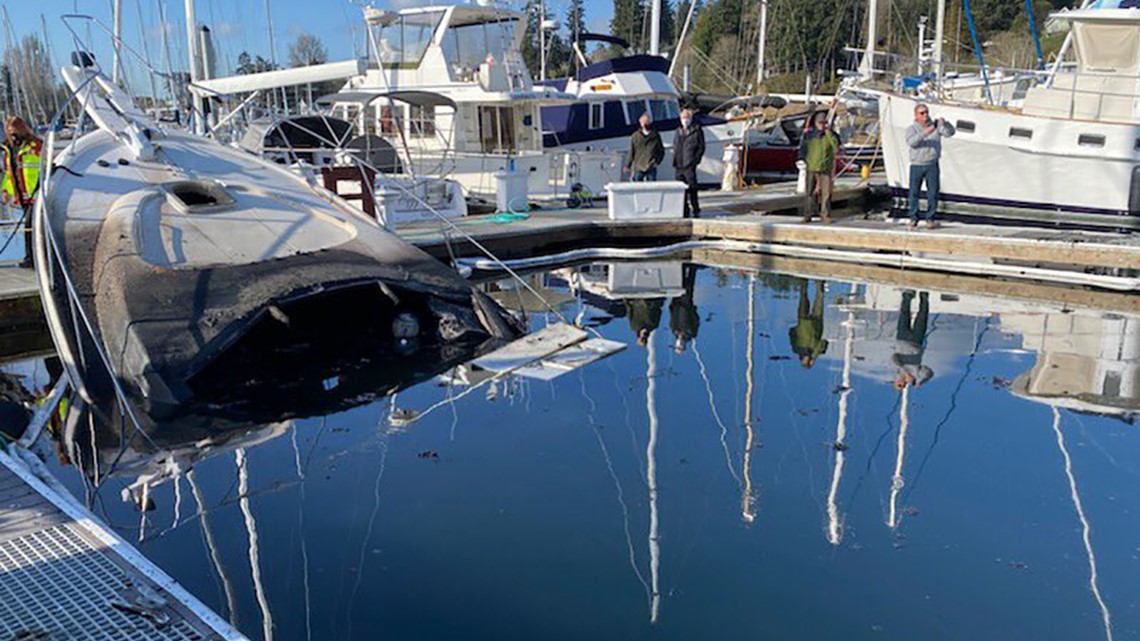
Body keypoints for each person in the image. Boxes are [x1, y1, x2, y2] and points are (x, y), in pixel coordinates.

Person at [905, 103, 954, 229]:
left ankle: (930, 218)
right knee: (914, 193)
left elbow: (950, 133)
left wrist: (945, 124)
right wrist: (927, 132)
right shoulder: (911, 129)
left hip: (932, 164)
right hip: (916, 164)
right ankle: (913, 218)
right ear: (916, 115)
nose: (925, 115)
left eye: (926, 112)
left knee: (933, 193)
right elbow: (912, 142)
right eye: (922, 113)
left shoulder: (936, 126)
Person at [1, 117, 43, 268]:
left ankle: (33, 258)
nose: (13, 135)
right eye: (10, 132)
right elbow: (9, 173)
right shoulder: (9, 149)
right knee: (29, 226)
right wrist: (6, 190)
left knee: (30, 225)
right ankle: (31, 257)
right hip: (22, 194)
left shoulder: (35, 146)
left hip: (36, 193)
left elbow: (45, 165)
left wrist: (41, 186)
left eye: (15, 131)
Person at [798, 111, 841, 224]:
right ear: (815, 123)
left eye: (825, 123)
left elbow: (836, 147)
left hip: (825, 167)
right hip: (811, 166)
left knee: (826, 193)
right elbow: (803, 148)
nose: (822, 125)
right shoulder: (808, 135)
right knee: (809, 193)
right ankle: (807, 215)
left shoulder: (832, 135)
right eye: (820, 123)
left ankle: (825, 215)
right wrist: (801, 159)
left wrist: (829, 133)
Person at [892, 290, 933, 389]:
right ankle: (924, 297)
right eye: (903, 386)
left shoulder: (895, 369)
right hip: (916, 342)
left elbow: (894, 357)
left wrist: (905, 372)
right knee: (922, 318)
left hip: (902, 339)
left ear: (895, 381)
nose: (902, 384)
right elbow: (929, 373)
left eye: (899, 385)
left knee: (904, 315)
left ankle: (908, 296)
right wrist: (921, 382)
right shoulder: (916, 374)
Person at [673, 107, 706, 218]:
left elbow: (701, 147)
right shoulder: (678, 131)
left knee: (692, 188)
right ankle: (683, 208)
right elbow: (675, 145)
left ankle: (696, 208)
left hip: (689, 164)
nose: (685, 120)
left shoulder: (696, 130)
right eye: (683, 117)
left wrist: (695, 161)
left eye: (687, 117)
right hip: (678, 165)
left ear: (691, 118)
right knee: (680, 190)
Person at [789, 280, 828, 368]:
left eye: (804, 361)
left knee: (803, 295)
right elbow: (824, 342)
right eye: (808, 361)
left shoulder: (796, 349)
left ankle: (803, 279)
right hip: (817, 322)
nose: (806, 360)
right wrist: (814, 356)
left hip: (803, 321)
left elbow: (791, 332)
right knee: (820, 296)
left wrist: (798, 329)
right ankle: (819, 280)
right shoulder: (816, 351)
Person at [668, 265, 700, 353]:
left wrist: (671, 307)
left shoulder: (674, 331)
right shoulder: (691, 333)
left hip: (676, 305)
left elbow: (672, 320)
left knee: (679, 283)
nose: (679, 344)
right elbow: (696, 321)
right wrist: (692, 310)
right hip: (687, 306)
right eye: (681, 346)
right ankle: (693, 267)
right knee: (689, 285)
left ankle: (681, 267)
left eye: (678, 346)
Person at [625, 112, 664, 182]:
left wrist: (657, 162)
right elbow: (631, 152)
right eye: (644, 122)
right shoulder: (635, 136)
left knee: (651, 188)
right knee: (637, 188)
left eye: (647, 122)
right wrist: (628, 165)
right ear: (640, 123)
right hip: (638, 167)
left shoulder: (656, 135)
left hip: (651, 166)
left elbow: (661, 151)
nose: (646, 124)